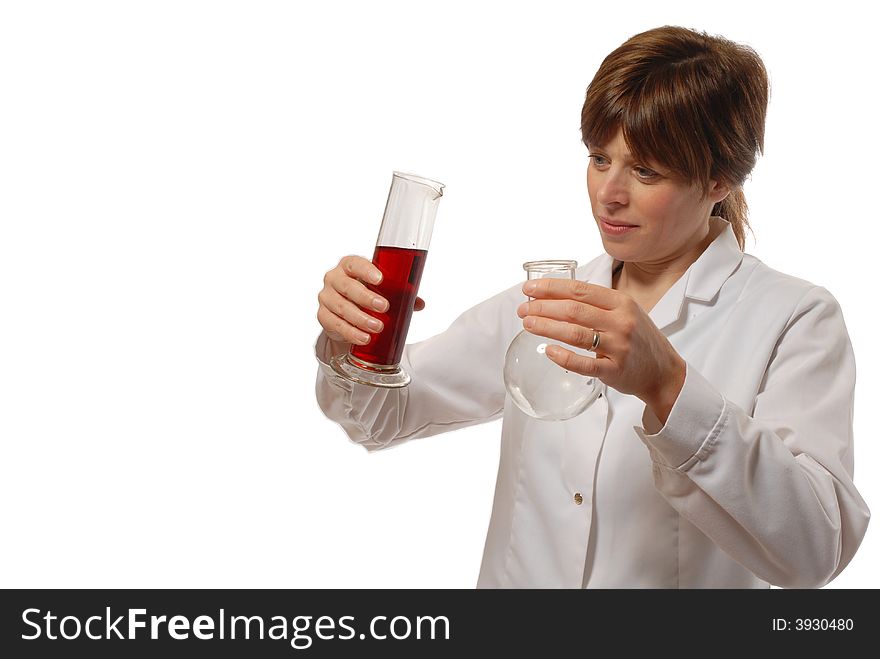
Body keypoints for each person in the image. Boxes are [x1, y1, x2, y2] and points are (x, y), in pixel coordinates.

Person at [313, 25, 870, 588]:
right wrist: (353, 339)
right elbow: (383, 417)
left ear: (719, 178)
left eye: (646, 170)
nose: (610, 193)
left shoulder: (795, 318)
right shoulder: (547, 301)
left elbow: (815, 548)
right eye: (600, 159)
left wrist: (669, 388)